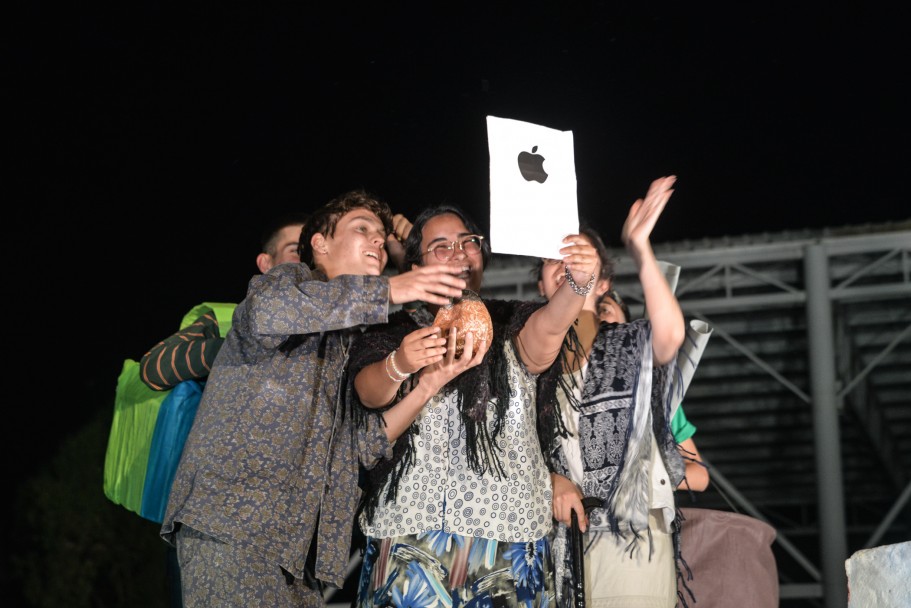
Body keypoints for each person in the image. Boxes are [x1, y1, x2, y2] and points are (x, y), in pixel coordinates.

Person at [159, 189, 471, 607]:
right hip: (233, 527)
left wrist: (429, 383)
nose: (377, 242)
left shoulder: (352, 340)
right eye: (362, 230)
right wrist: (389, 289)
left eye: (381, 237)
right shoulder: (286, 284)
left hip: (301, 556)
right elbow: (268, 313)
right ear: (320, 244)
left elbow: (363, 446)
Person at [346, 204, 600, 607]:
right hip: (412, 540)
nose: (459, 252)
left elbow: (549, 330)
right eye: (441, 246)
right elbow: (368, 393)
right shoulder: (392, 331)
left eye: (468, 243)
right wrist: (404, 363)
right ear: (415, 265)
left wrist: (580, 282)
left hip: (508, 540)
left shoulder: (510, 321)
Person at [537, 175, 689, 607]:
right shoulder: (529, 361)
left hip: (632, 531)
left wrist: (640, 247)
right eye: (553, 259)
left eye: (580, 255)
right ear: (541, 286)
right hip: (554, 541)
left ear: (602, 282)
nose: (566, 262)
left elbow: (671, 335)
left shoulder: (628, 342)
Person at [597, 289, 709, 493]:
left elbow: (699, 475)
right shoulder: (563, 383)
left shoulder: (654, 393)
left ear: (626, 325)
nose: (595, 317)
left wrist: (654, 476)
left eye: (604, 309)